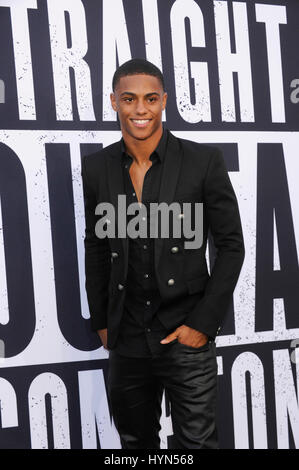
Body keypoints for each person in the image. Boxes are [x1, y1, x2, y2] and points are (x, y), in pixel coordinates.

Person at [81, 58, 245, 449]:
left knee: (198, 446)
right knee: (136, 444)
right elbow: (97, 246)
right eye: (129, 99)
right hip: (127, 337)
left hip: (186, 330)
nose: (140, 109)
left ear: (164, 101)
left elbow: (231, 245)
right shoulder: (96, 167)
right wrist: (103, 321)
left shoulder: (203, 161)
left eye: (150, 99)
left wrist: (203, 324)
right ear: (114, 102)